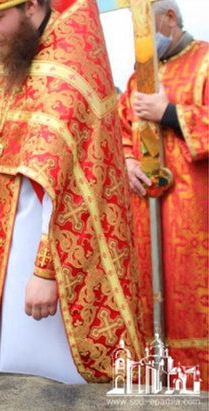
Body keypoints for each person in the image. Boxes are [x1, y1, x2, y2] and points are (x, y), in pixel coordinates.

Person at [0, 0, 146, 382]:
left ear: (31, 5)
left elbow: (66, 182)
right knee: (10, 376)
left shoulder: (71, 64)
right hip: (7, 247)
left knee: (59, 381)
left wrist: (45, 272)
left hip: (55, 253)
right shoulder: (16, 60)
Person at [117, 0, 208, 388]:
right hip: (146, 214)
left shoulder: (205, 61)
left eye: (145, 27)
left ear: (170, 18)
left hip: (196, 219)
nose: (141, 39)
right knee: (150, 297)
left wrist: (170, 112)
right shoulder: (140, 77)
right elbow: (120, 131)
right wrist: (128, 163)